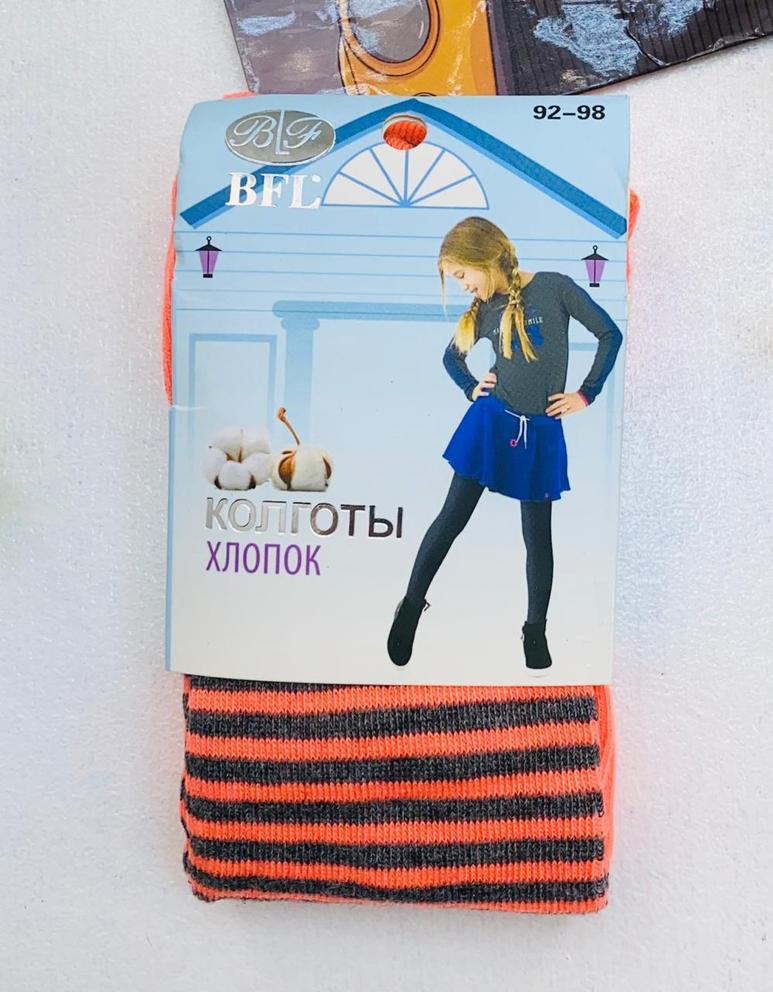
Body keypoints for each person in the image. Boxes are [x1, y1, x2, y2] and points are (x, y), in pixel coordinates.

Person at [387, 216, 623, 670]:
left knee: (538, 538)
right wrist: (470, 386)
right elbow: (451, 357)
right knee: (452, 518)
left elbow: (609, 333)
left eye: (462, 275)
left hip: (541, 432)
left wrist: (585, 393)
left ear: (483, 258)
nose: (463, 286)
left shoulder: (555, 288)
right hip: (490, 425)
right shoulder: (485, 310)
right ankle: (411, 605)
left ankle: (535, 629)